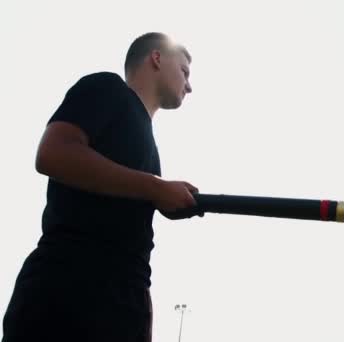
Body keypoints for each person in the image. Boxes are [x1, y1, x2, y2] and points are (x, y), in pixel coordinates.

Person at [2, 32, 199, 342]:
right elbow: (52, 153)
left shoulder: (150, 147)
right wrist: (155, 188)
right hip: (66, 298)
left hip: (122, 311)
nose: (189, 85)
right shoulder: (107, 88)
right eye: (185, 71)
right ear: (157, 58)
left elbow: (135, 250)